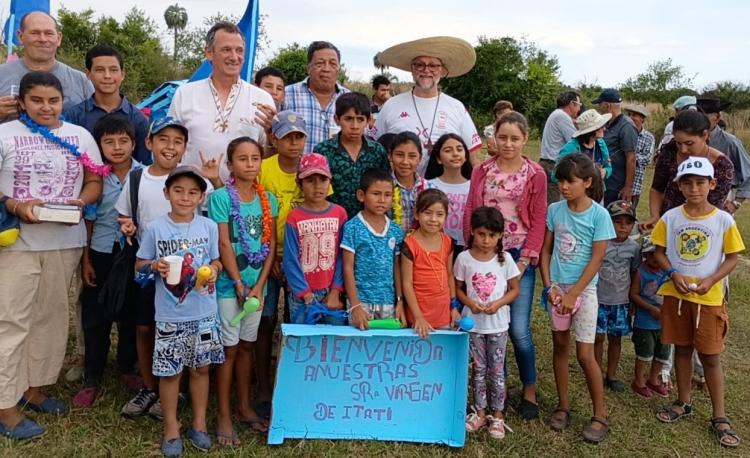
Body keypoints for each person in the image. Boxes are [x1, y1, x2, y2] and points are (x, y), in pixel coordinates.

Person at [0, 71, 104, 440]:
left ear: (63, 101)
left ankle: (33, 389)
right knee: (12, 322)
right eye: (37, 101)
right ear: (23, 102)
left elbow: (95, 181)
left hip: (65, 241)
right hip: (17, 243)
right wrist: (15, 203)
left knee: (51, 318)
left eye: (53, 100)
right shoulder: (6, 134)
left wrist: (80, 201)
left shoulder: (80, 137)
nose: (46, 108)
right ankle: (5, 406)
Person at [652, 156, 744, 448]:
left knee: (710, 355)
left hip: (709, 299)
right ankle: (683, 401)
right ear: (679, 186)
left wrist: (712, 280)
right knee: (681, 349)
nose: (694, 189)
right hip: (677, 296)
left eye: (700, 182)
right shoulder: (671, 218)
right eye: (687, 183)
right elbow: (659, 251)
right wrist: (672, 272)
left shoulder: (722, 220)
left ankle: (719, 415)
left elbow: (732, 257)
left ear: (712, 184)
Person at [135, 167, 224, 456]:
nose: (185, 197)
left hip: (204, 312)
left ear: (201, 197)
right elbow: (139, 265)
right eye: (178, 191)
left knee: (201, 369)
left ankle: (199, 424)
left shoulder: (208, 227)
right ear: (166, 194)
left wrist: (214, 272)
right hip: (170, 314)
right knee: (170, 372)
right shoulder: (156, 228)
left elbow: (216, 261)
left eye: (193, 192)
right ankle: (171, 428)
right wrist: (154, 266)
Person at [463, 111, 546, 419]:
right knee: (484, 322)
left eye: (515, 138)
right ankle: (489, 390)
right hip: (485, 254)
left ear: (525, 139)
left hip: (518, 255)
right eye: (503, 137)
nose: (508, 144)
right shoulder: (482, 170)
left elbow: (539, 220)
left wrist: (526, 259)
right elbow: (472, 208)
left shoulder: (535, 173)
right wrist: (472, 248)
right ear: (494, 138)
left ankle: (529, 389)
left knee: (518, 329)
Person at [116, 117, 198, 420]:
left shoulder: (193, 180)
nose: (170, 146)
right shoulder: (137, 178)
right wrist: (126, 224)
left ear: (185, 148)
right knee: (144, 326)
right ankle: (149, 387)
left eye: (178, 141)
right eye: (163, 139)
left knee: (180, 329)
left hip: (184, 271)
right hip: (148, 266)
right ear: (149, 143)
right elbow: (124, 215)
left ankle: (176, 388)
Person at [539, 153, 615, 443]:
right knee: (559, 345)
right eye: (560, 181)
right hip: (557, 290)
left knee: (585, 354)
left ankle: (599, 414)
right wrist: (550, 287)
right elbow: (546, 251)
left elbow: (596, 259)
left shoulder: (600, 215)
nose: (564, 186)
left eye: (569, 181)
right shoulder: (555, 210)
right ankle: (563, 405)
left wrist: (574, 293)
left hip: (584, 292)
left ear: (587, 182)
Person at [208, 137, 278, 444]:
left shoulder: (268, 199)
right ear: (230, 164)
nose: (250, 164)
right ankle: (223, 414)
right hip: (229, 286)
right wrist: (237, 283)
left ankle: (245, 405)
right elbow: (223, 243)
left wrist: (260, 286)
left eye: (255, 159)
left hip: (257, 288)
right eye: (243, 159)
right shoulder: (221, 197)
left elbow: (271, 243)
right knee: (229, 349)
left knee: (248, 345)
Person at [73, 115, 142, 408]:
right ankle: (92, 377)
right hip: (100, 252)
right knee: (95, 316)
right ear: (99, 144)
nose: (117, 147)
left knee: (130, 313)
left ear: (134, 144)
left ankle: (127, 367)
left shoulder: (145, 174)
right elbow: (88, 220)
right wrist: (85, 260)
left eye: (123, 141)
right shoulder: (95, 177)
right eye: (109, 141)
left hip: (132, 255)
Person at [168, 21, 275, 186]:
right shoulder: (186, 94)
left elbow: (267, 156)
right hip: (191, 197)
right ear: (209, 53)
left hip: (242, 201)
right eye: (226, 50)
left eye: (239, 50)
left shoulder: (262, 99)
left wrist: (271, 136)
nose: (234, 57)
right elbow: (171, 145)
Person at [256, 110, 311, 414]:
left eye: (299, 136)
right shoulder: (263, 168)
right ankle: (263, 386)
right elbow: (253, 210)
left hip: (302, 262)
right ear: (274, 138)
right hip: (265, 259)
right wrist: (269, 256)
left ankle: (292, 383)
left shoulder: (311, 168)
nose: (293, 142)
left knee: (295, 321)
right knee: (265, 321)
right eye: (287, 136)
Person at [374, 36, 482, 173]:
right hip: (400, 191)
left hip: (445, 192)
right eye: (419, 64)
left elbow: (472, 157)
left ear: (442, 71)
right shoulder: (391, 105)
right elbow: (376, 149)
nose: (426, 70)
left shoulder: (456, 107)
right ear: (411, 69)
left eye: (433, 65)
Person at [457, 206, 520, 439]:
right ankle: (480, 412)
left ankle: (498, 415)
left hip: (498, 327)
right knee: (478, 369)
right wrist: (469, 304)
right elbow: (459, 288)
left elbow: (515, 289)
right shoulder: (464, 258)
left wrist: (499, 303)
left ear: (501, 235)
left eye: (492, 235)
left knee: (497, 370)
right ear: (473, 231)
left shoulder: (506, 260)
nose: (486, 240)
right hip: (473, 325)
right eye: (481, 234)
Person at [642, 109, 735, 229]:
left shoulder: (722, 165)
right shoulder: (669, 152)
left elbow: (714, 206)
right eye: (678, 143)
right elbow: (657, 189)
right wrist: (655, 216)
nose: (683, 149)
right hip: (668, 223)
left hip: (703, 227)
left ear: (705, 135)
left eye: (689, 143)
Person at [284, 154, 348, 324]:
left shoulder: (339, 214)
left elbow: (343, 255)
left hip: (330, 292)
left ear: (330, 181)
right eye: (310, 180)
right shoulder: (294, 217)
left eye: (323, 180)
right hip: (302, 295)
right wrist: (304, 293)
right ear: (300, 183)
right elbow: (291, 259)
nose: (317, 186)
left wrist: (335, 290)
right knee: (304, 345)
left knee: (333, 343)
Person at [64, 44, 151, 165]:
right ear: (88, 74)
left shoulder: (138, 119)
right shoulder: (73, 116)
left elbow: (144, 164)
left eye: (113, 70)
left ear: (122, 74)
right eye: (100, 70)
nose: (107, 76)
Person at [342, 169, 406, 330]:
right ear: (361, 195)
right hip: (360, 302)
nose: (382, 200)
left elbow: (396, 267)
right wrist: (355, 306)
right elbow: (347, 268)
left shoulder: (395, 230)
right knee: (358, 347)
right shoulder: (352, 227)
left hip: (387, 302)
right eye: (376, 194)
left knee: (384, 350)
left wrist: (400, 301)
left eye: (387, 195)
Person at [0, 12, 93, 122]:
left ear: (58, 38)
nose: (42, 39)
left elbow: (96, 123)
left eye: (49, 33)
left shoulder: (82, 81)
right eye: (35, 33)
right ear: (20, 36)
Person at [313, 92, 390, 219]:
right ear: (337, 119)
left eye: (360, 119)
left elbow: (385, 186)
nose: (354, 126)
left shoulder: (377, 151)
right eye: (348, 119)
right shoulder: (323, 151)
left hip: (368, 225)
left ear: (368, 120)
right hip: (332, 221)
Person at [595, 200, 639, 392]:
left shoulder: (634, 248)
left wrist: (632, 298)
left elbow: (635, 272)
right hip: (598, 298)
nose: (623, 226)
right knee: (597, 337)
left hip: (620, 301)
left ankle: (611, 374)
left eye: (628, 222)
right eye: (617, 221)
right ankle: (595, 371)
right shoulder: (600, 243)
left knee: (616, 338)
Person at [401, 189, 458, 337]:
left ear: (446, 217)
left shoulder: (448, 242)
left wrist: (454, 307)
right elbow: (407, 283)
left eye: (439, 214)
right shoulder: (409, 244)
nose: (433, 219)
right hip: (419, 316)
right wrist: (419, 317)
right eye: (427, 213)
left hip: (444, 314)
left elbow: (450, 275)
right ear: (416, 214)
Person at [285, 41, 350, 153]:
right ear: (309, 68)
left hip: (337, 170)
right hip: (297, 170)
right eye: (320, 63)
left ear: (338, 69)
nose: (326, 69)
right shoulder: (288, 95)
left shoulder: (350, 99)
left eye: (333, 64)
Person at [629, 234, 670, 399]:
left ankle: (653, 379)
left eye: (659, 253)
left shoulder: (669, 273)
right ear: (644, 255)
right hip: (645, 321)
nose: (655, 258)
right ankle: (638, 381)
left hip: (665, 322)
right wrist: (650, 308)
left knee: (663, 352)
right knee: (644, 353)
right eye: (650, 253)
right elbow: (633, 294)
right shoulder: (641, 273)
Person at [696, 96, 750, 212]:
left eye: (705, 116)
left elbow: (748, 174)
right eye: (698, 115)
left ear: (717, 117)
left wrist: (736, 203)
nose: (700, 120)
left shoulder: (730, 142)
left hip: (721, 202)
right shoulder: (688, 140)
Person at [425, 133, 472, 253]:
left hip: (467, 247)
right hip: (436, 246)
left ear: (466, 156)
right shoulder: (428, 185)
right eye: (448, 150)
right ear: (438, 159)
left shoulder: (474, 187)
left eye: (459, 149)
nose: (455, 154)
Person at [592, 89, 638, 205]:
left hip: (616, 185)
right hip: (604, 181)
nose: (599, 108)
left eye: (600, 105)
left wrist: (628, 187)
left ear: (607, 106)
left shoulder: (626, 126)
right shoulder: (607, 124)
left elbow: (631, 158)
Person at [539, 91, 581, 204]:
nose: (579, 109)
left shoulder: (557, 114)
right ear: (572, 103)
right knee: (554, 202)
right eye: (579, 105)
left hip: (548, 162)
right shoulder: (562, 116)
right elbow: (575, 140)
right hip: (553, 164)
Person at [554, 109, 612, 184]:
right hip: (576, 194)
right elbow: (555, 175)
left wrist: (605, 172)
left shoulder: (601, 143)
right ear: (591, 131)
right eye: (600, 126)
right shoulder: (570, 148)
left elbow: (608, 167)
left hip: (597, 193)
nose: (603, 128)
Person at [388, 132, 431, 232]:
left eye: (412, 156)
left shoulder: (429, 188)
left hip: (420, 245)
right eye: (399, 155)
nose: (405, 162)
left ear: (420, 158)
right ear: (390, 155)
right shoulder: (383, 187)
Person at [624, 104, 655, 208]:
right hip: (619, 181)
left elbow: (647, 159)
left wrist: (630, 157)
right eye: (629, 115)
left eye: (635, 115)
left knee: (629, 213)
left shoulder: (648, 137)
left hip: (635, 184)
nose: (631, 118)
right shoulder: (623, 133)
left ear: (642, 119)